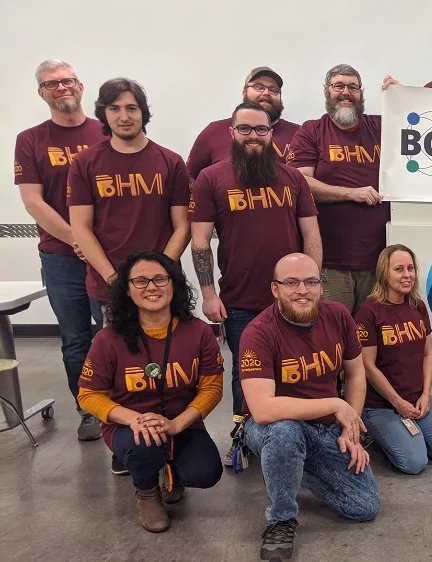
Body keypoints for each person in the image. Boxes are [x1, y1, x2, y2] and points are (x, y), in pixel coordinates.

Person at [189, 101, 323, 466]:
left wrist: (312, 285)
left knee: (299, 367)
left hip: (292, 297)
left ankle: (299, 439)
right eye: (244, 129)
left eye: (260, 129)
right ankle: (244, 439)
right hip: (240, 300)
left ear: (271, 133)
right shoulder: (211, 179)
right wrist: (208, 294)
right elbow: (199, 242)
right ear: (231, 132)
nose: (253, 136)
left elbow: (311, 235)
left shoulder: (292, 178)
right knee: (245, 373)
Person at [240, 253, 378, 561]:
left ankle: (289, 467)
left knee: (364, 506)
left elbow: (356, 374)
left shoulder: (338, 315)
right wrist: (335, 404)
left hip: (325, 427)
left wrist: (350, 430)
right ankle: (281, 519)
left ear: (320, 286)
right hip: (270, 427)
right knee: (285, 433)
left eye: (311, 282)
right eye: (291, 282)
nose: (302, 290)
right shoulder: (258, 332)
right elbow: (262, 409)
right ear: (275, 289)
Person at [77, 250, 223, 533]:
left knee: (205, 473)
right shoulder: (108, 339)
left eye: (159, 279)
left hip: (182, 422)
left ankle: (172, 473)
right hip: (129, 426)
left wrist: (176, 424)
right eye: (140, 281)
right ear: (127, 290)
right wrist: (135, 419)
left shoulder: (199, 332)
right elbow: (88, 395)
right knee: (145, 445)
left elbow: (212, 388)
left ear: (174, 284)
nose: (151, 287)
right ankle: (146, 490)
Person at [14, 59, 106, 440]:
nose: (62, 87)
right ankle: (89, 410)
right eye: (52, 84)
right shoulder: (31, 140)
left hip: (109, 255)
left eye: (68, 81)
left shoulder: (105, 131)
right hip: (60, 257)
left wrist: (94, 245)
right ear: (41, 93)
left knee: (116, 332)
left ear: (80, 86)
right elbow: (33, 202)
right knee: (76, 339)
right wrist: (76, 239)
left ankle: (121, 405)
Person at [68, 78, 191, 310]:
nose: (124, 117)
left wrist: (157, 275)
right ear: (104, 114)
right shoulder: (85, 163)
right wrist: (114, 279)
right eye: (114, 108)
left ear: (143, 112)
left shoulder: (171, 162)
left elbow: (183, 227)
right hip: (108, 288)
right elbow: (81, 228)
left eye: (131, 108)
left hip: (163, 285)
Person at [290, 64, 387, 315]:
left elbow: (419, 124)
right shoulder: (311, 131)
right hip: (331, 263)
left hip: (379, 261)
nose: (346, 92)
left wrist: (400, 98)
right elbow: (300, 182)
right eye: (339, 86)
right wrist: (352, 193)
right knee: (333, 330)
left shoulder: (380, 127)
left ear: (361, 93)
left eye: (353, 87)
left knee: (372, 333)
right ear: (327, 91)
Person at [355, 245, 432, 474]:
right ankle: (380, 436)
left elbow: (428, 354)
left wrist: (426, 395)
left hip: (416, 397)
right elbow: (368, 367)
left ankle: (408, 434)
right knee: (415, 463)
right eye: (399, 269)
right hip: (381, 405)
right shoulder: (369, 312)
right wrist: (397, 402)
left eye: (410, 268)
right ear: (384, 273)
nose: (407, 275)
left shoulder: (417, 306)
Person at [186, 67, 300, 180]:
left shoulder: (299, 134)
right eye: (258, 87)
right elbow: (190, 177)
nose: (266, 93)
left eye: (273, 89)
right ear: (244, 92)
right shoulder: (214, 131)